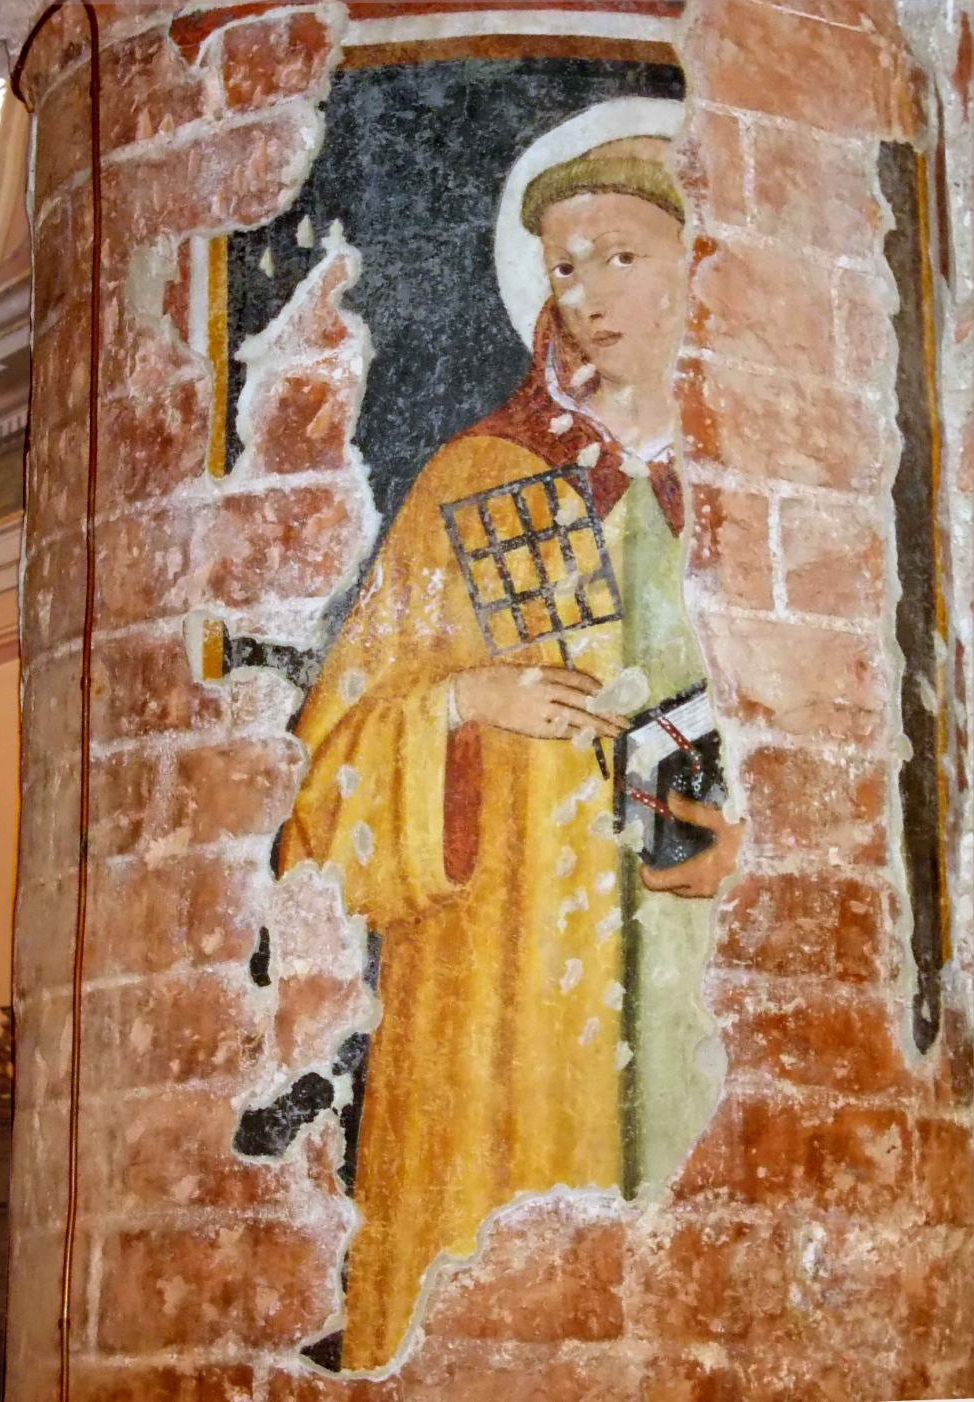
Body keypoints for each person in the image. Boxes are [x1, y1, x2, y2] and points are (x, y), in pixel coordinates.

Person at [279, 129, 742, 1373]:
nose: (585, 295)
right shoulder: (476, 478)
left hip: (696, 964)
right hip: (508, 977)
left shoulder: (765, 486)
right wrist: (464, 698)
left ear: (700, 265)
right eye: (564, 267)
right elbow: (327, 770)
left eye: (620, 257)